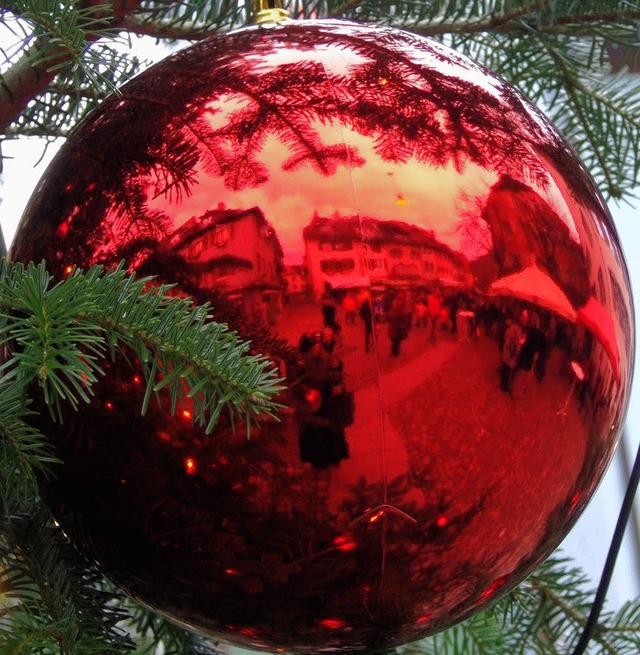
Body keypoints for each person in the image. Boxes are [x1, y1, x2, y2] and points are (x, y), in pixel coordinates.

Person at [499, 317, 524, 394]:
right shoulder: (517, 331)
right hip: (511, 353)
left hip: (506, 351)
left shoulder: (509, 329)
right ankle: (505, 386)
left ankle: (501, 384)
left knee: (505, 369)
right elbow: (518, 343)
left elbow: (505, 339)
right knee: (508, 370)